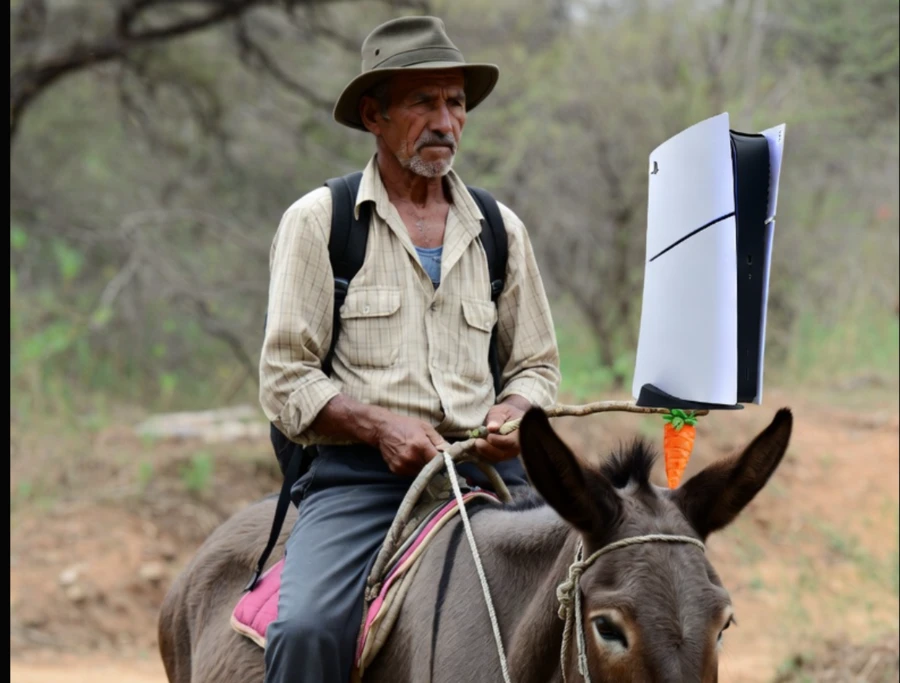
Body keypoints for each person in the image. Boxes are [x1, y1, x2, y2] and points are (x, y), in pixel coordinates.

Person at [258, 15, 561, 683]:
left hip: (490, 472)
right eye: (423, 101)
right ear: (375, 113)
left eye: (454, 102)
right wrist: (378, 425)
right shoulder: (321, 221)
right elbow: (285, 381)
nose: (444, 120)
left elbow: (537, 366)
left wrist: (514, 408)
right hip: (365, 482)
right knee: (306, 630)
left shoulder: (499, 230)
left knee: (597, 589)